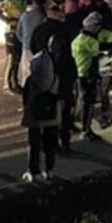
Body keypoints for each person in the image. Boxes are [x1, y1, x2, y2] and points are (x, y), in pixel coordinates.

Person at [31, 9, 76, 152]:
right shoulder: (64, 30)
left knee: (47, 108)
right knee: (65, 110)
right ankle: (65, 141)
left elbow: (33, 49)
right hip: (63, 74)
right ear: (57, 15)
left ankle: (49, 142)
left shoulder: (39, 30)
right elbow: (70, 52)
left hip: (44, 73)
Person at [20, 38, 62, 182]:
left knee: (34, 143)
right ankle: (49, 170)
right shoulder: (55, 77)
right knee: (50, 143)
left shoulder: (31, 80)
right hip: (51, 113)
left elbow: (25, 97)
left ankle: (34, 171)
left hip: (34, 113)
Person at [71, 12, 112, 140]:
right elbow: (104, 48)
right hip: (87, 74)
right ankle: (86, 130)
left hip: (79, 72)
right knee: (88, 102)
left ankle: (80, 125)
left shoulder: (77, 39)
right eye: (97, 26)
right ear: (91, 26)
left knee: (82, 100)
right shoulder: (88, 40)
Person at [0, 0, 28, 94]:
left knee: (17, 58)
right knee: (12, 58)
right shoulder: (10, 1)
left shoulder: (25, 1)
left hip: (20, 32)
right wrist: (8, 21)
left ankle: (15, 82)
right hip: (11, 32)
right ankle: (7, 84)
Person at [17, 0, 47, 87]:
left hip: (27, 46)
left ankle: (27, 90)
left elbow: (18, 32)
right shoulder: (43, 17)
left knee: (27, 71)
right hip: (40, 48)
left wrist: (24, 42)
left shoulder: (25, 15)